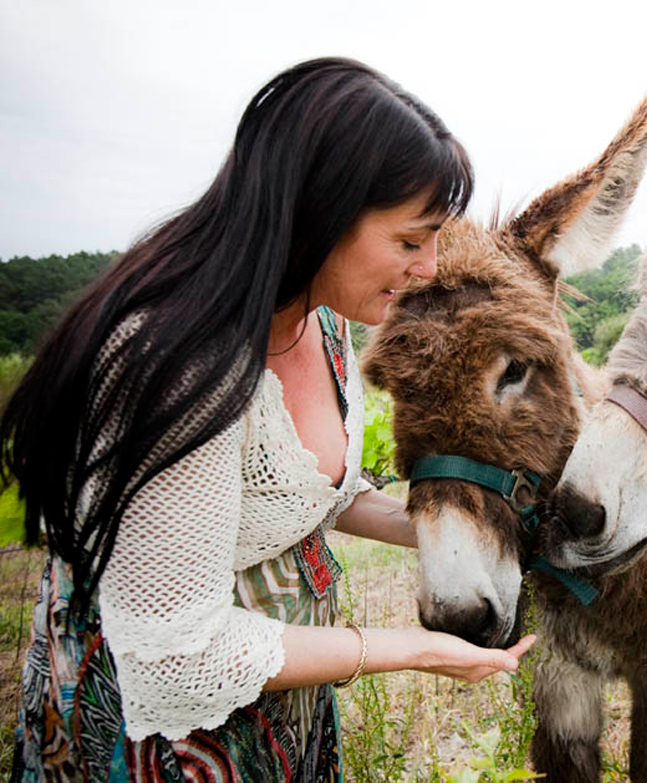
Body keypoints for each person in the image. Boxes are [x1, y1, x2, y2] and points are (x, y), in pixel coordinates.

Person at [2, 57, 535, 781]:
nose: (431, 267)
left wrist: (475, 529)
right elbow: (180, 660)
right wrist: (413, 649)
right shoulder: (178, 365)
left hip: (277, 700)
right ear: (320, 213)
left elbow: (315, 490)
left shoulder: (323, 323)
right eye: (411, 240)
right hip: (160, 734)